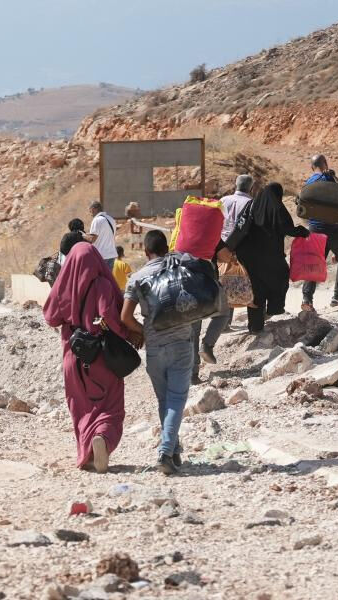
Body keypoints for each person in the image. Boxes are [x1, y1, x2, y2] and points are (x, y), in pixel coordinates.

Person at [43, 243, 135, 474]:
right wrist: (129, 334)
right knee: (111, 406)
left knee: (81, 406)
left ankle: (87, 454)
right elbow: (110, 318)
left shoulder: (63, 286)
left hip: (73, 356)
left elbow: (51, 317)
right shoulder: (102, 284)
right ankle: (102, 437)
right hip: (102, 357)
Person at [121, 230, 194, 475]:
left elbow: (125, 317)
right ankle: (165, 452)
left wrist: (145, 332)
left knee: (165, 400)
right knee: (176, 400)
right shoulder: (180, 267)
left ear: (145, 252)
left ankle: (173, 450)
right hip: (182, 343)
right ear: (166, 248)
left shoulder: (137, 278)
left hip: (154, 348)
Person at [191, 174, 252, 382]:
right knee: (224, 311)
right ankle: (207, 345)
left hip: (185, 278)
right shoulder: (212, 238)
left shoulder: (189, 233)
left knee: (194, 324)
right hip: (208, 275)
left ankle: (192, 373)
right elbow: (224, 255)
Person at [234, 183, 309, 333]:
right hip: (272, 258)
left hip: (251, 258)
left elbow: (239, 227)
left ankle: (255, 327)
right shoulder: (277, 208)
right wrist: (302, 232)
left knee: (257, 291)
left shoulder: (251, 206)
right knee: (280, 278)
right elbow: (286, 228)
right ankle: (274, 308)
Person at [301, 154, 338, 312]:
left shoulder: (309, 182)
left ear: (312, 167)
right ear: (325, 164)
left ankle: (307, 300)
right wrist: (333, 176)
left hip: (315, 229)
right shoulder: (329, 178)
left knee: (314, 265)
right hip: (335, 229)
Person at [84, 201, 118, 269]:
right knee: (107, 278)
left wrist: (82, 235)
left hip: (101, 256)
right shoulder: (110, 219)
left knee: (99, 279)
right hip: (111, 255)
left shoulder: (97, 220)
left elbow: (92, 239)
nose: (90, 213)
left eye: (90, 210)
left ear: (94, 209)